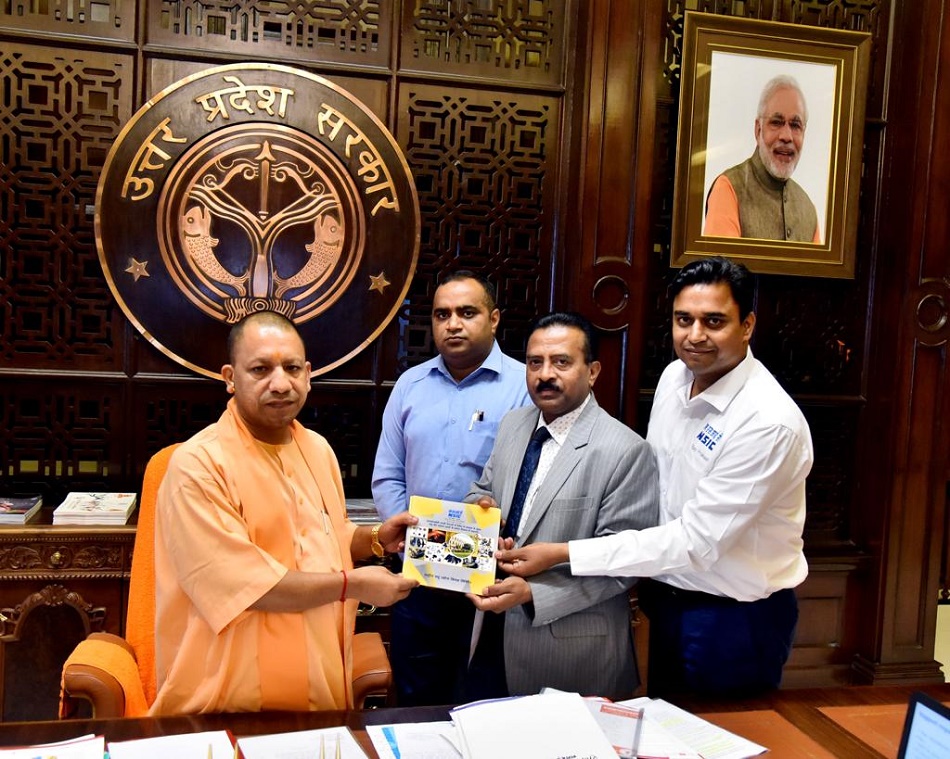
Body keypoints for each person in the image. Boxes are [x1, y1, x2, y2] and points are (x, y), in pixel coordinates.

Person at [497, 258, 814, 698]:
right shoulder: (674, 377)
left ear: (747, 325)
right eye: (684, 319)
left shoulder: (766, 422)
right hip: (665, 598)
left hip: (733, 616)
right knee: (670, 734)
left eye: (714, 321)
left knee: (721, 741)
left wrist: (562, 553)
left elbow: (696, 544)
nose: (695, 335)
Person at [151, 311, 417, 715]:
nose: (280, 383)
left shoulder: (317, 449)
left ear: (308, 374)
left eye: (292, 368)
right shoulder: (199, 465)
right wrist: (352, 585)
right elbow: (246, 585)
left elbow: (326, 536)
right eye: (260, 369)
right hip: (227, 701)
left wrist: (375, 539)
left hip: (319, 690)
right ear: (229, 376)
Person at [467, 312, 659, 700]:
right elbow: (482, 489)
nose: (545, 374)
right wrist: (483, 510)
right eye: (535, 362)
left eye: (561, 362)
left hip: (571, 651)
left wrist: (534, 594)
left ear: (592, 372)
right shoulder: (514, 424)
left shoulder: (626, 451)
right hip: (490, 628)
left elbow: (625, 566)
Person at [372, 270, 531, 706]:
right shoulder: (410, 385)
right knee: (415, 698)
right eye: (442, 314)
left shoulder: (524, 387)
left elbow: (529, 482)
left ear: (494, 319)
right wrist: (408, 536)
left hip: (488, 582)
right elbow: (388, 474)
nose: (453, 324)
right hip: (418, 575)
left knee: (483, 703)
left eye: (467, 312)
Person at [704, 75, 821, 243]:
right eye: (776, 122)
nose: (786, 136)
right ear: (758, 130)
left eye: (795, 125)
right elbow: (721, 268)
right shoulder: (728, 188)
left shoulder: (808, 209)